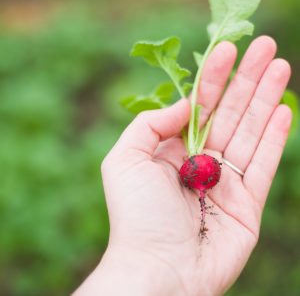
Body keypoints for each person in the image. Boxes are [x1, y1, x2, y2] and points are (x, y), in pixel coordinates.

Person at [73, 36, 292, 296]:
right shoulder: (198, 168)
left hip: (200, 167)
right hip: (199, 167)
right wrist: (153, 259)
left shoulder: (200, 168)